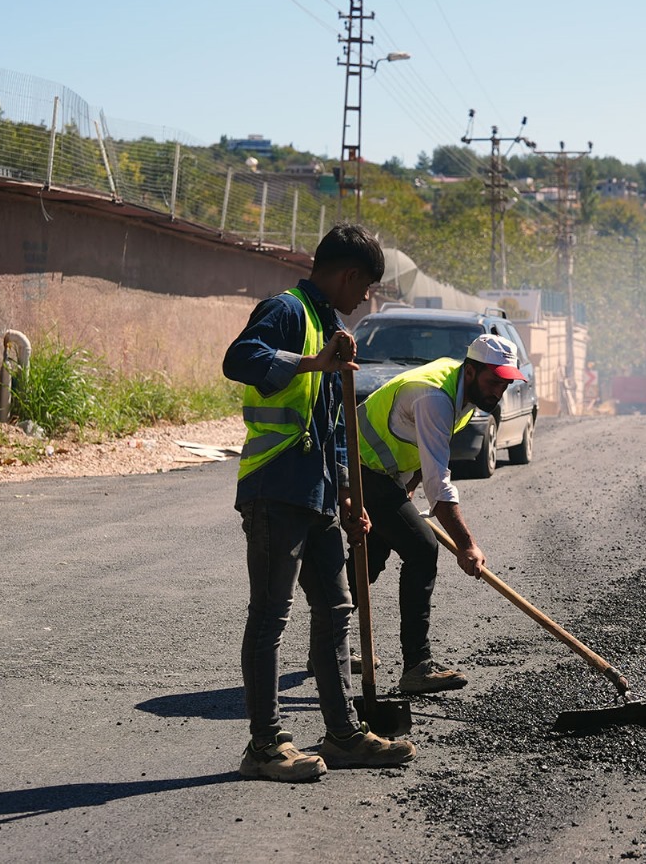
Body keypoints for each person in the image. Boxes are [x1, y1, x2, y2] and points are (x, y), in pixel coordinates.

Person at [222, 223, 416, 782]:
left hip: (319, 497)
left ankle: (342, 735)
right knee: (270, 617)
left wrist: (349, 496)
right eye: (368, 288)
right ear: (349, 275)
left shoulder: (330, 327)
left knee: (335, 611)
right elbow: (240, 360)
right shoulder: (285, 311)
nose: (367, 300)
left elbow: (330, 427)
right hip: (274, 489)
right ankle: (263, 747)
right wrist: (313, 363)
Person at [354, 333, 528, 695]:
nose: (499, 391)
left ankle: (326, 645)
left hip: (382, 474)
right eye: (493, 381)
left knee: (371, 555)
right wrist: (467, 545)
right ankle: (417, 667)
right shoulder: (436, 397)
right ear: (471, 371)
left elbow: (423, 453)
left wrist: (410, 483)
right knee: (421, 548)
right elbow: (440, 485)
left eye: (506, 383)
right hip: (355, 468)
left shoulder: (461, 391)